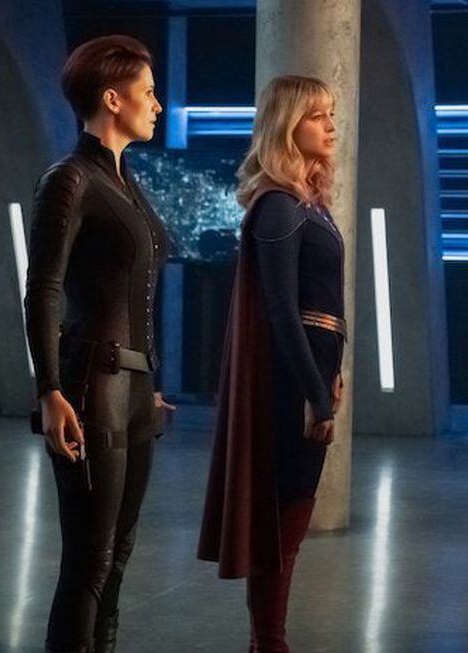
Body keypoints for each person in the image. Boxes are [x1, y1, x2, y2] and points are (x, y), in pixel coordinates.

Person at [25, 35, 174, 653]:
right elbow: (43, 288)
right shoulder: (70, 178)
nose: (158, 105)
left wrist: (149, 379)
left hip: (133, 386)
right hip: (92, 386)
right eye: (148, 92)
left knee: (117, 558)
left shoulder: (124, 181)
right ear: (113, 100)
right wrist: (50, 390)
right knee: (89, 561)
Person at [198, 75, 345, 653]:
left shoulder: (308, 204)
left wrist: (331, 375)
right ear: (287, 126)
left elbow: (320, 306)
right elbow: (283, 311)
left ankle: (269, 641)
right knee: (281, 525)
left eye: (331, 114)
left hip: (312, 372)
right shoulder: (279, 206)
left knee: (292, 520)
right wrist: (315, 392)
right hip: (290, 384)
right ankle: (269, 642)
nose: (330, 126)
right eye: (317, 116)